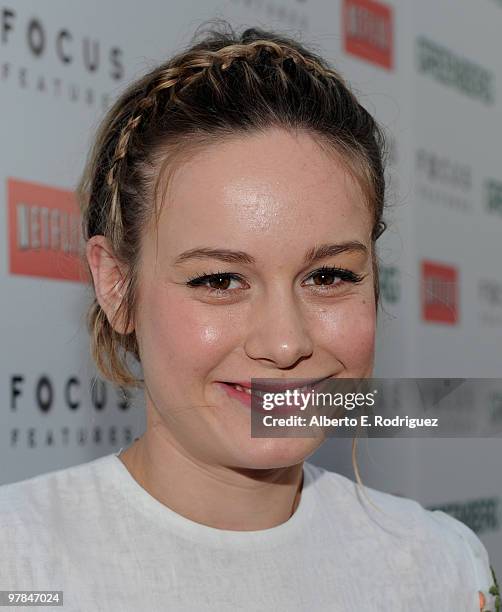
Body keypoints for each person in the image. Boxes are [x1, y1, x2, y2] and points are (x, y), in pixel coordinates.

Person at [0, 21, 497, 612]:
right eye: (220, 280)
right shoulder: (18, 565)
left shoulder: (442, 568)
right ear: (115, 285)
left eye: (328, 276)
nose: (285, 343)